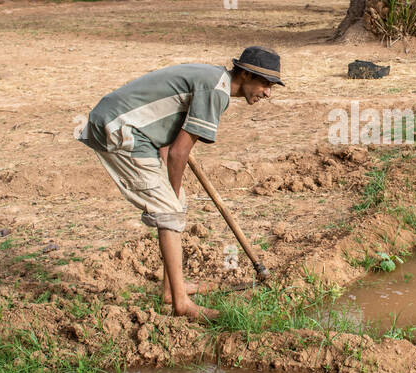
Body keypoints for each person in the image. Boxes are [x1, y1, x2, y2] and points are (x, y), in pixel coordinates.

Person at [76, 46, 284, 320]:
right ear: (245, 74)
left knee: (176, 206)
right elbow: (178, 153)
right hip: (120, 128)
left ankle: (170, 290)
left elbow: (169, 141)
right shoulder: (215, 91)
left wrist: (173, 196)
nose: (268, 93)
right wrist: (169, 198)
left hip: (136, 130)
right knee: (170, 211)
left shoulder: (213, 79)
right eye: (265, 84)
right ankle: (181, 304)